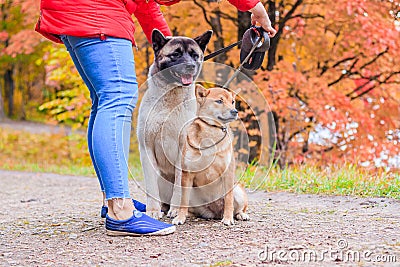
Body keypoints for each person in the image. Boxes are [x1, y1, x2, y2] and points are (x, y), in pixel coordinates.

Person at [35, 0, 276, 236]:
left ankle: (111, 200)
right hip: (98, 13)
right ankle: (120, 210)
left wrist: (171, 46)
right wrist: (254, 6)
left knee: (103, 101)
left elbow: (145, 4)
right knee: (117, 98)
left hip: (73, 12)